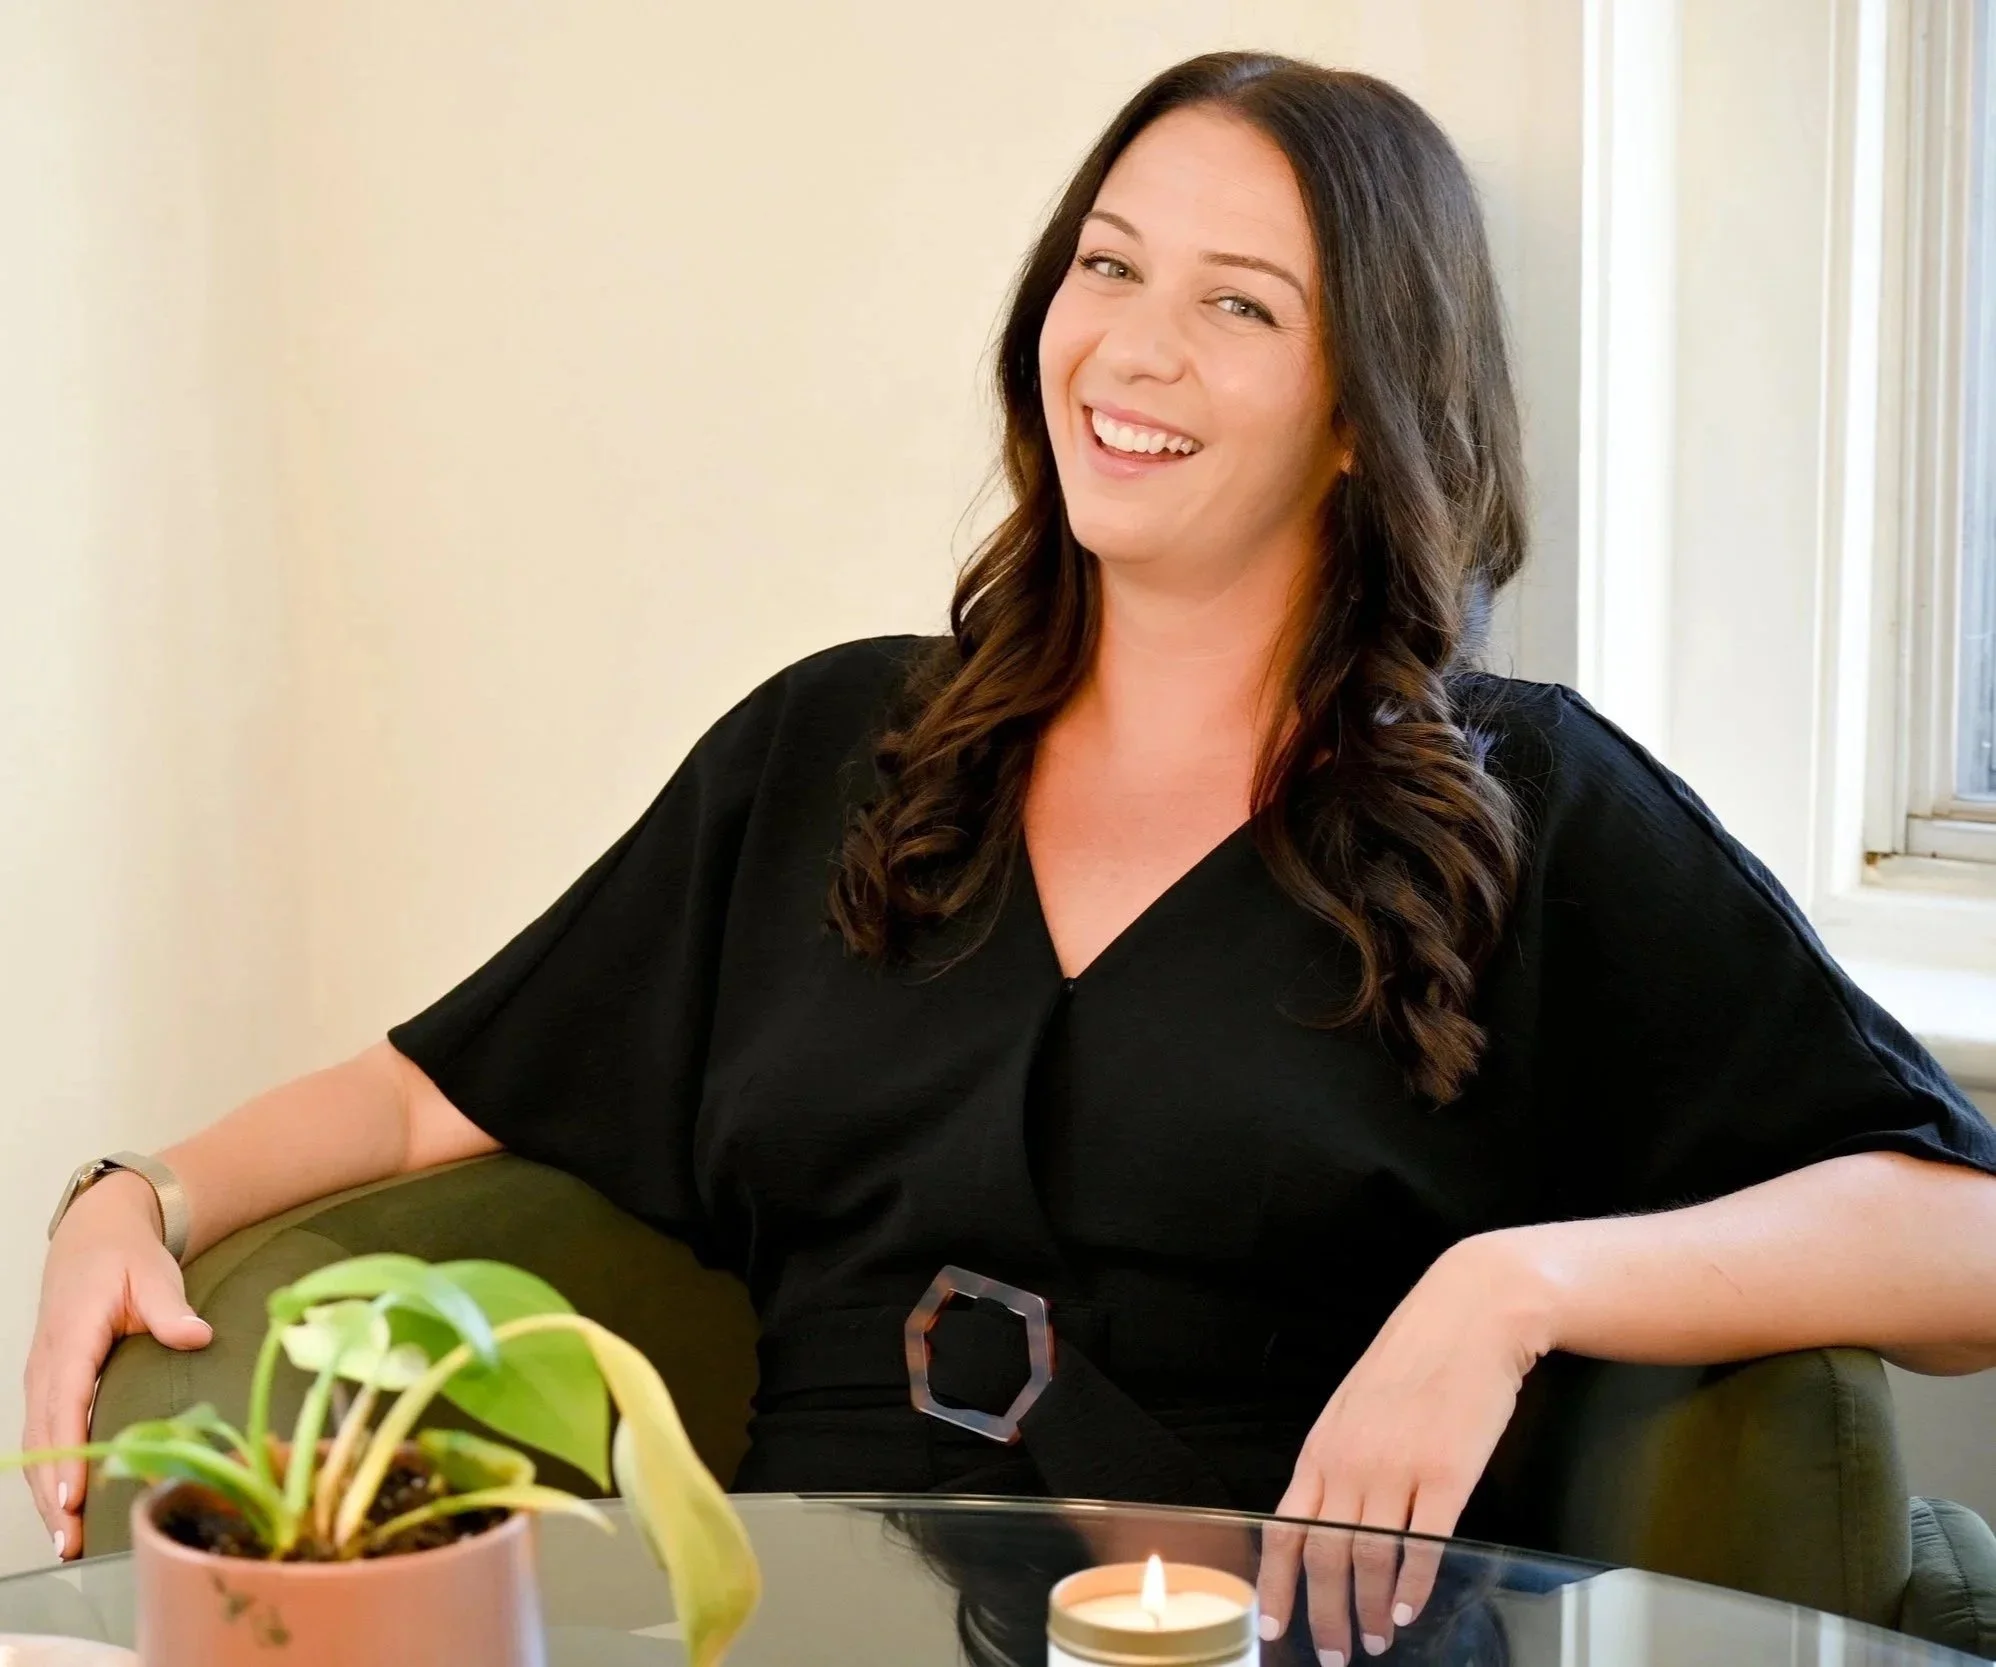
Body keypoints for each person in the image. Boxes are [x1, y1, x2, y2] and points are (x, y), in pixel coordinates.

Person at [25, 49, 1996, 1666]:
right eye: (1104, 267)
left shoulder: (1519, 803)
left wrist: (1506, 1285)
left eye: (1237, 304)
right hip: (802, 1635)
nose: (1128, 351)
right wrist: (142, 1186)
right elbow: (431, 1083)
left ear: (1351, 412)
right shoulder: (835, 746)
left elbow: (1957, 1247)